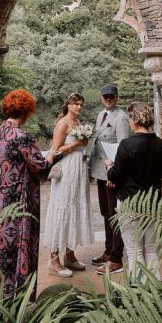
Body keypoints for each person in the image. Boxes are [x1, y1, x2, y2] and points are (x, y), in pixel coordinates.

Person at [0, 89, 65, 299]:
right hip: (18, 205)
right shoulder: (22, 137)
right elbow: (40, 167)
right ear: (27, 112)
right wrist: (53, 155)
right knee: (17, 248)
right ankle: (17, 298)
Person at [105, 100, 162, 281]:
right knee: (151, 249)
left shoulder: (126, 144)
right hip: (152, 203)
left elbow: (116, 176)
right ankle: (156, 289)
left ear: (133, 119)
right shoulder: (160, 144)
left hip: (129, 202)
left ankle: (139, 294)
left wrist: (109, 167)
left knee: (134, 251)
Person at [41, 92, 95, 276]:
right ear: (68, 105)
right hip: (66, 171)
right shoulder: (62, 124)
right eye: (75, 104)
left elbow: (82, 144)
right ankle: (54, 259)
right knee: (63, 208)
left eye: (81, 104)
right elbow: (54, 152)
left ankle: (70, 255)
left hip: (79, 171)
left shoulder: (79, 124)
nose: (78, 107)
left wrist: (83, 143)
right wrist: (76, 144)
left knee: (75, 209)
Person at [89, 83, 130, 275]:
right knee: (106, 212)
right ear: (101, 98)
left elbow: (121, 148)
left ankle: (116, 258)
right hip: (99, 171)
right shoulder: (100, 115)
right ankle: (107, 250)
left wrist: (115, 174)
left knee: (114, 215)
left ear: (117, 97)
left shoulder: (121, 118)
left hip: (111, 174)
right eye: (105, 97)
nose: (109, 100)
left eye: (112, 97)